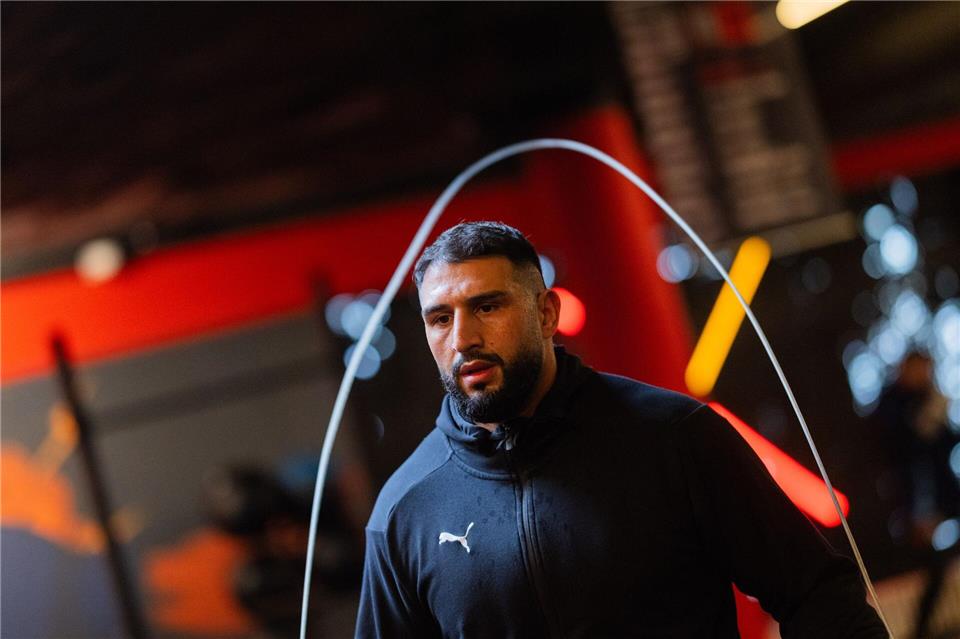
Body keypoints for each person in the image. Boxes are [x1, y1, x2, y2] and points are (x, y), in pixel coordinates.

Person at [355, 221, 886, 638]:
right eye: (440, 319)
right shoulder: (405, 510)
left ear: (546, 313)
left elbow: (820, 599)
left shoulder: (674, 437)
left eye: (486, 306)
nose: (462, 338)